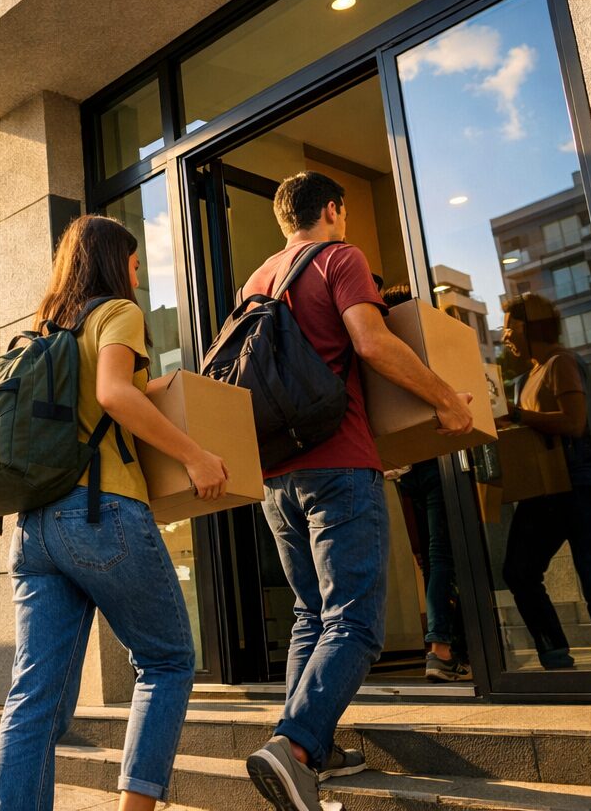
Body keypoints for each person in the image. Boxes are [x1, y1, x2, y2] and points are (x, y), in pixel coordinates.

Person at [240, 172, 473, 811]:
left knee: (311, 616)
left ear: (284, 219)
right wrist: (446, 400)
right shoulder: (340, 257)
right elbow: (371, 342)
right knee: (355, 623)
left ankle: (308, 748)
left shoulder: (256, 281)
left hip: (277, 477)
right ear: (333, 209)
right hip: (339, 464)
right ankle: (294, 747)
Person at [0, 214, 226, 811]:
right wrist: (196, 456)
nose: (138, 275)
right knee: (168, 661)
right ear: (113, 262)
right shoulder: (118, 313)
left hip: (36, 527)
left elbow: (91, 400)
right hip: (100, 513)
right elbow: (113, 393)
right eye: (134, 262)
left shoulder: (46, 328)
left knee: (34, 698)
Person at [498, 292, 591, 669]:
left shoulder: (562, 362)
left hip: (584, 488)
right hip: (545, 491)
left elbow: (574, 422)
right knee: (519, 571)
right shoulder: (526, 378)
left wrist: (517, 415)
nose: (505, 336)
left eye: (509, 328)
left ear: (530, 327)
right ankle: (555, 657)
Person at [380, 284, 471, 683]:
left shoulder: (383, 358)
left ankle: (449, 647)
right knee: (442, 557)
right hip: (436, 462)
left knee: (431, 560)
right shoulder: (423, 355)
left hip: (405, 469)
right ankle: (441, 649)